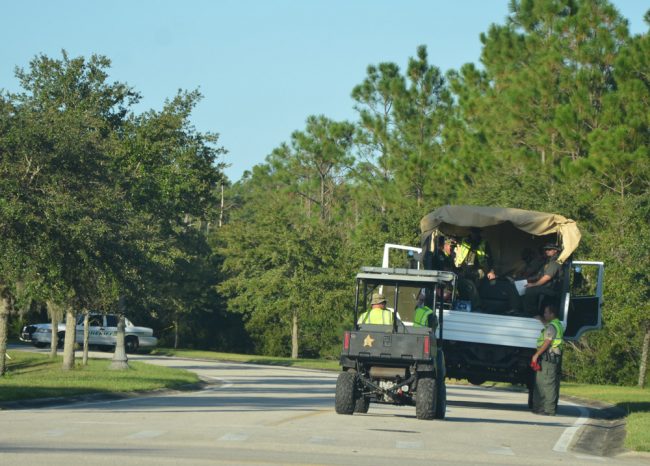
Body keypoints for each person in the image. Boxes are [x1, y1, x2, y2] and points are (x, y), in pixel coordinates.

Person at [531, 304, 564, 416]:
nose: (544, 315)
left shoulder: (552, 326)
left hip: (549, 357)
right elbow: (549, 329)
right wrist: (541, 320)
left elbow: (547, 342)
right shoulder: (555, 324)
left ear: (552, 314)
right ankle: (539, 407)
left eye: (546, 313)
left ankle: (549, 410)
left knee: (549, 383)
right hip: (548, 357)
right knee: (540, 382)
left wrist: (536, 354)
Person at [454, 228, 496, 310]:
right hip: (464, 269)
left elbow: (490, 258)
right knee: (464, 284)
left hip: (478, 269)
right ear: (470, 232)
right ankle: (466, 304)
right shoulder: (464, 240)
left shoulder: (483, 242)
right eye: (473, 232)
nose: (475, 234)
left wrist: (491, 271)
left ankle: (476, 306)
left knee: (474, 282)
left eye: (477, 232)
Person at [523, 243, 562, 317]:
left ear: (555, 251)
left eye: (549, 249)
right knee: (524, 285)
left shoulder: (555, 262)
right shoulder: (548, 261)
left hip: (552, 289)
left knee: (531, 290)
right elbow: (540, 275)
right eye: (546, 249)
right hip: (546, 286)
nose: (546, 251)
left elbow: (547, 277)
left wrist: (533, 284)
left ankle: (531, 314)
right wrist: (528, 280)